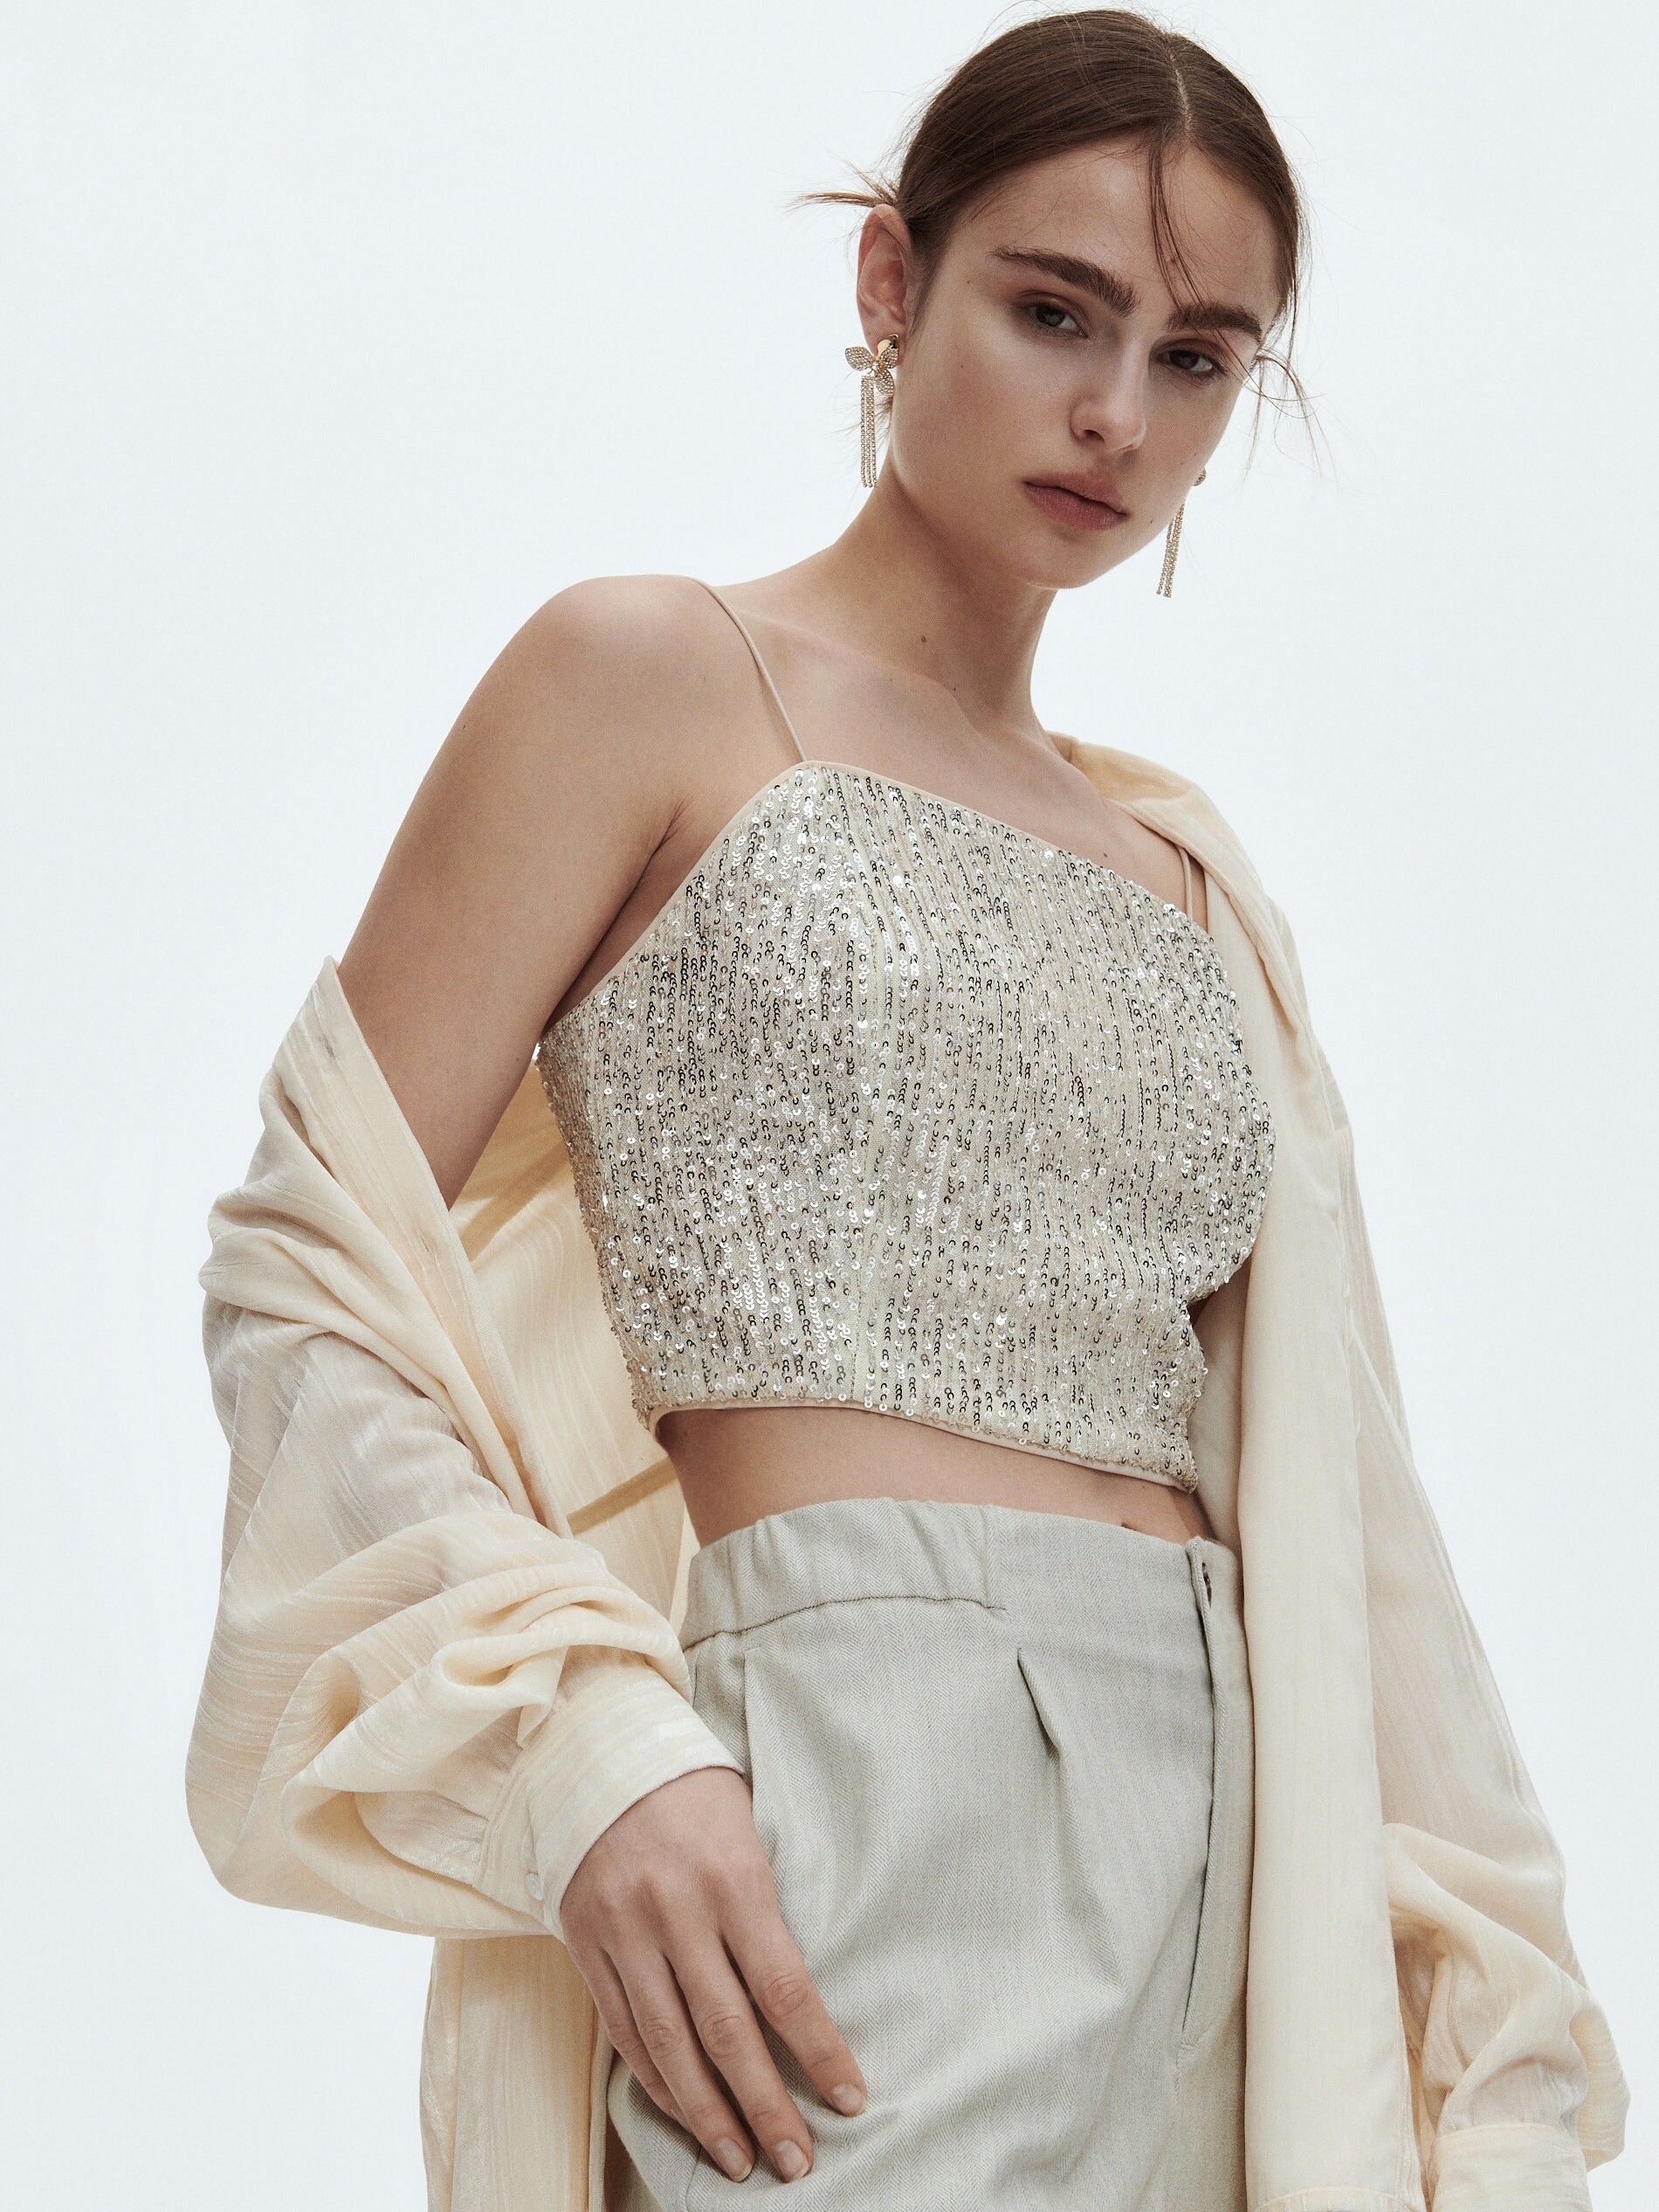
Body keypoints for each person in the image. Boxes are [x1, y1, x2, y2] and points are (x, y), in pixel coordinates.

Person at [185, 12, 1627, 2210]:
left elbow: (1361, 1534)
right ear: (890, 279)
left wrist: (1484, 2071)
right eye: (1053, 312)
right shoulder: (651, 680)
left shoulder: (1185, 880)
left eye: (1194, 359)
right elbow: (309, 1262)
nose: (1114, 413)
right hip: (854, 1788)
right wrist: (589, 1749)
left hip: (1238, 1860)